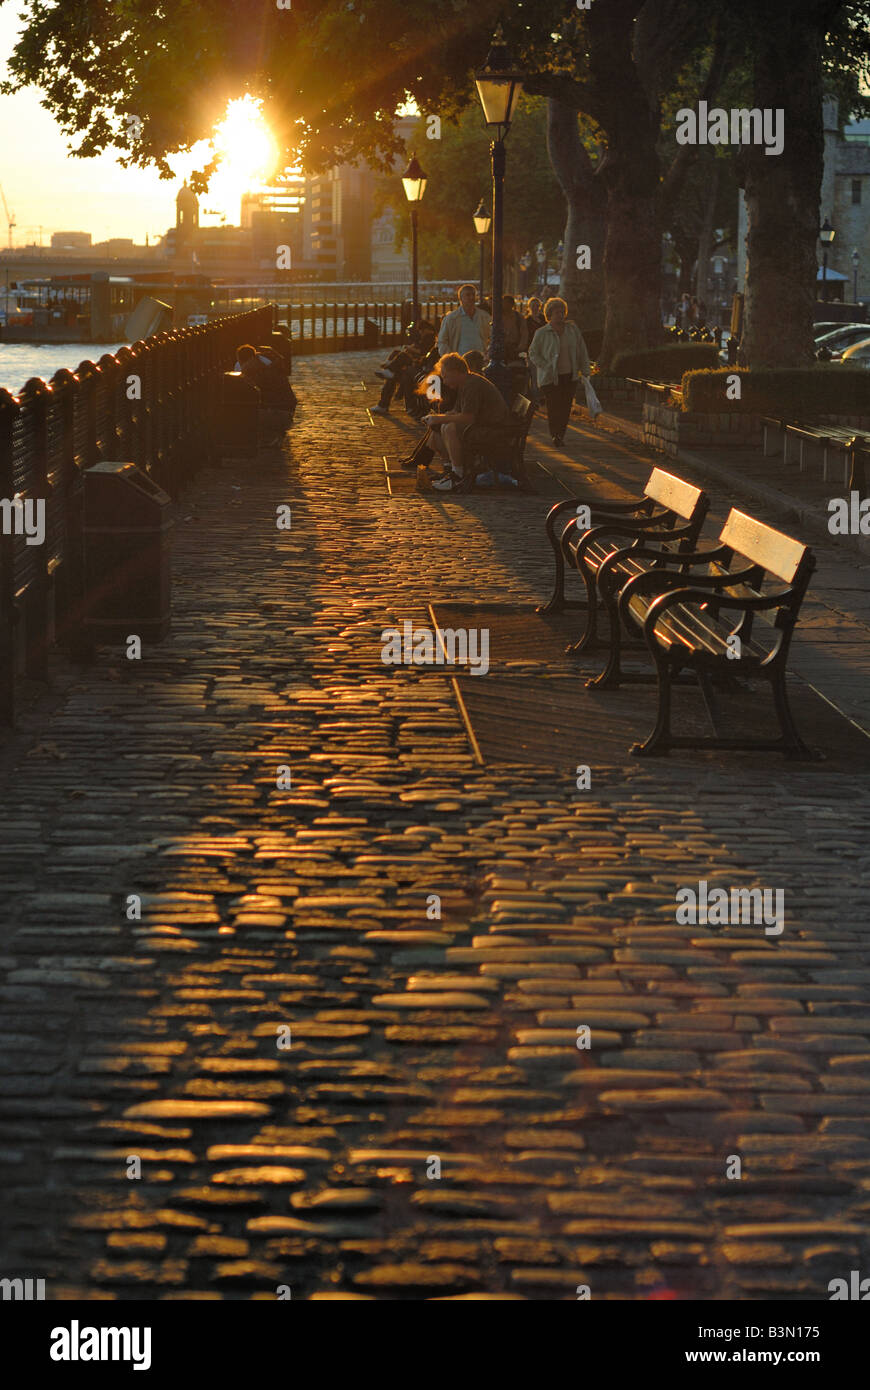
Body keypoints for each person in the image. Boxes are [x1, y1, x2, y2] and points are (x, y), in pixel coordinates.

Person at [424, 352, 511, 492]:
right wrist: (437, 417)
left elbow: (468, 417)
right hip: (486, 425)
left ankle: (457, 475)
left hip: (494, 429)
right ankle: (451, 470)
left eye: (446, 376)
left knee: (449, 428)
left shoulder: (472, 385)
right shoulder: (466, 383)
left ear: (456, 372)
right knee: (440, 428)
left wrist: (441, 418)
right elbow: (456, 412)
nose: (444, 381)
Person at [527, 297, 591, 447]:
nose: (560, 315)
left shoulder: (572, 330)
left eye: (562, 312)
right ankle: (555, 434)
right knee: (554, 406)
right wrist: (545, 365)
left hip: (570, 375)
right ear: (549, 314)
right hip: (550, 377)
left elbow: (581, 350)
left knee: (565, 407)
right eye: (557, 312)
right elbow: (533, 352)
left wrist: (585, 370)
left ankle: (560, 434)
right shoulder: (542, 332)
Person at [370, 320, 436, 418]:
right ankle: (389, 369)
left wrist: (409, 349)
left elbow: (422, 352)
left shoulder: (429, 337)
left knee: (402, 357)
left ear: (426, 330)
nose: (420, 333)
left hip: (421, 366)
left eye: (421, 331)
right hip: (419, 364)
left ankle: (383, 404)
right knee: (394, 372)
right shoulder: (426, 338)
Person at [236, 343, 295, 446]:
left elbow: (247, 395)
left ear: (241, 360)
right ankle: (274, 434)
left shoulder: (250, 369)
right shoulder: (267, 365)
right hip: (288, 413)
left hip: (277, 414)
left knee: (241, 410)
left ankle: (267, 436)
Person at [436, 284, 491, 356]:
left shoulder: (484, 316)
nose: (471, 297)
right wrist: (451, 358)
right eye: (468, 295)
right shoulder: (451, 318)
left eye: (473, 295)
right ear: (461, 298)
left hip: (481, 360)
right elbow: (442, 341)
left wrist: (488, 353)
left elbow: (493, 337)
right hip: (461, 362)